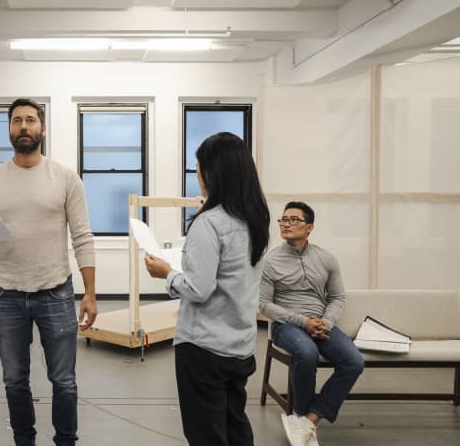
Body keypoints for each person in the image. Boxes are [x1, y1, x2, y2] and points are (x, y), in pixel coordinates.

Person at [0, 98, 97, 446]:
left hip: (56, 292)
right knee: (15, 380)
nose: (24, 126)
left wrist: (90, 293)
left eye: (31, 120)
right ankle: (24, 441)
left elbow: (82, 237)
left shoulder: (64, 178)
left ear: (42, 128)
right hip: (7, 295)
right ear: (10, 130)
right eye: (17, 121)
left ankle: (66, 441)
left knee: (64, 381)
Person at [144, 132, 270, 446]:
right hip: (239, 345)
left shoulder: (209, 223)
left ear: (213, 173)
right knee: (234, 427)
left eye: (198, 166)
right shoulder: (255, 220)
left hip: (204, 349)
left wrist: (167, 273)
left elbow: (198, 289)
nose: (196, 173)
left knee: (206, 435)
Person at [259, 201, 364, 446]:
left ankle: (307, 421)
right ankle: (300, 415)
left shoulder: (326, 258)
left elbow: (337, 297)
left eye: (294, 220)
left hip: (321, 325)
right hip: (287, 326)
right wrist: (303, 321)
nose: (286, 223)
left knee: (354, 361)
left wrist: (326, 322)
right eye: (283, 219)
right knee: (307, 352)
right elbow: (264, 304)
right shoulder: (270, 261)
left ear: (309, 227)